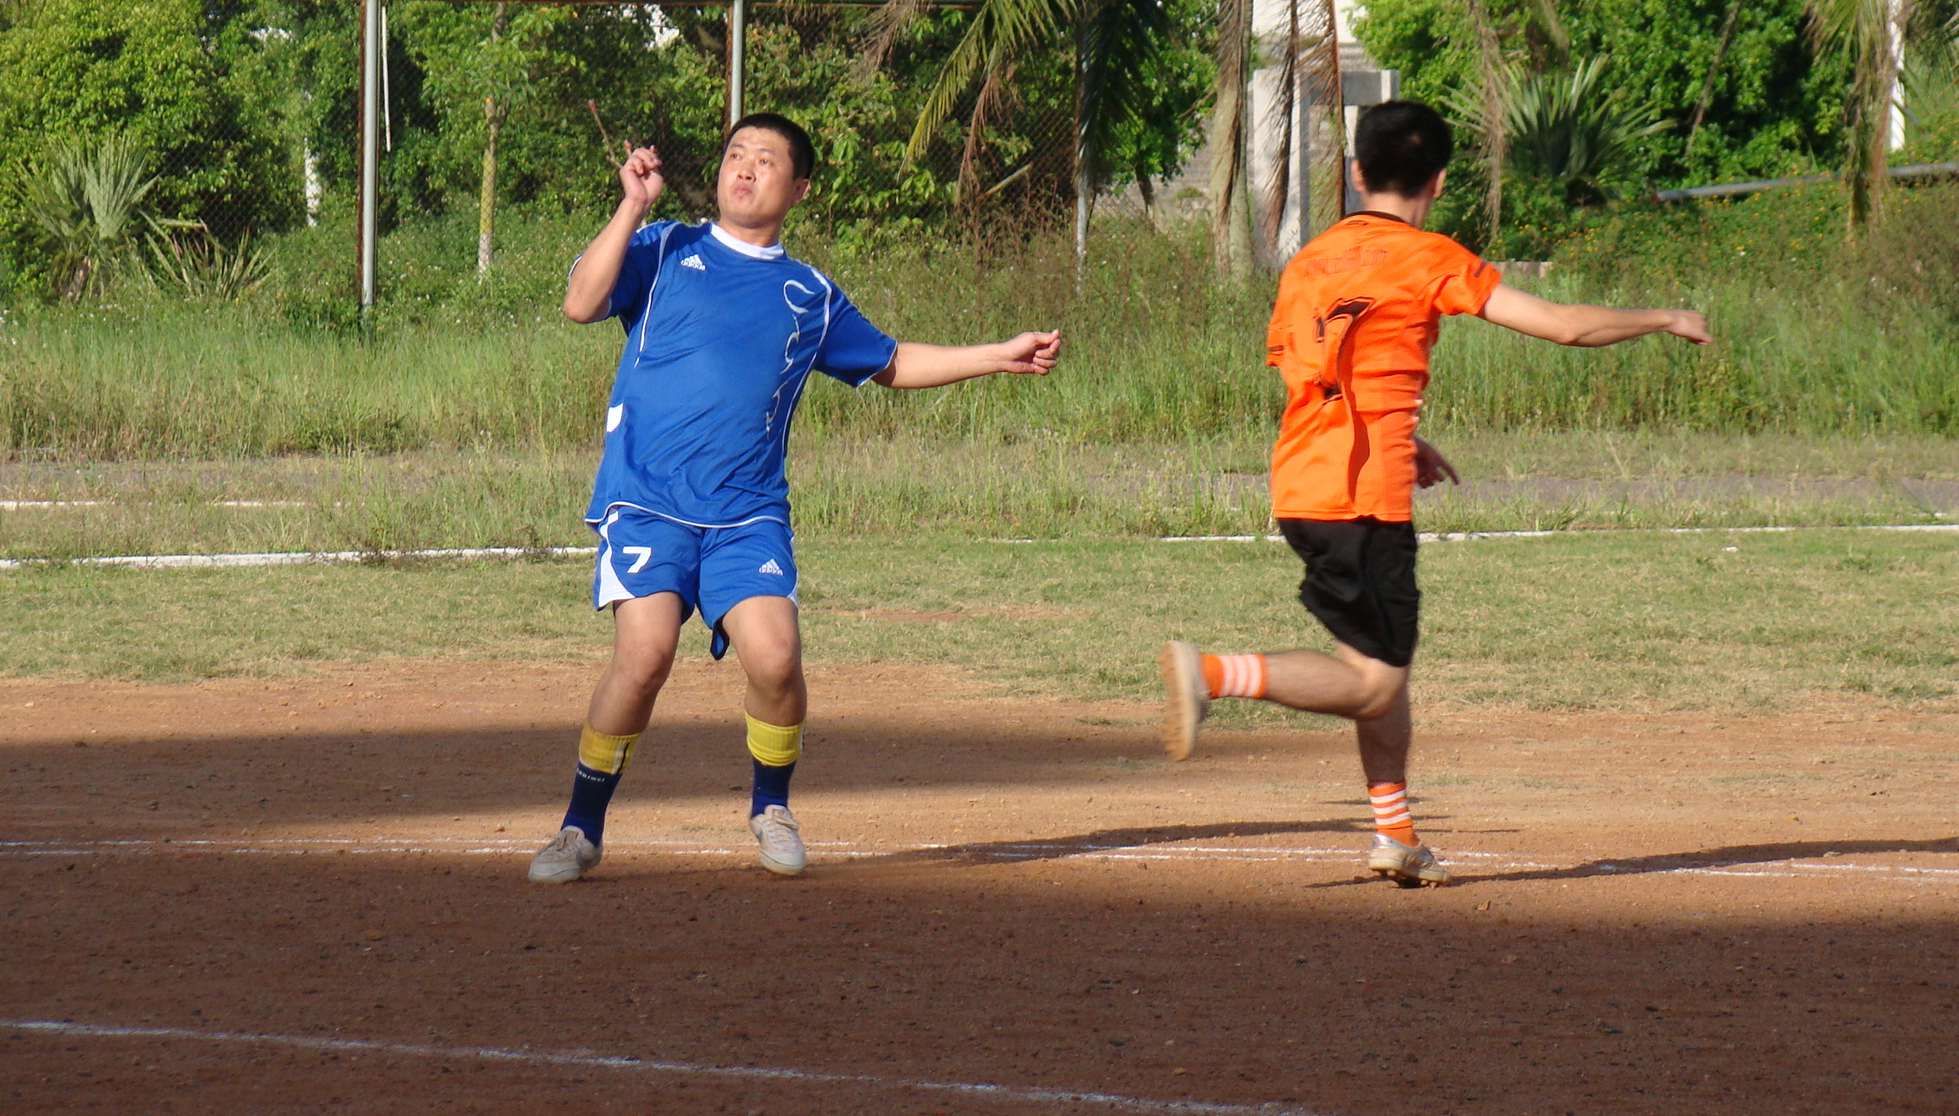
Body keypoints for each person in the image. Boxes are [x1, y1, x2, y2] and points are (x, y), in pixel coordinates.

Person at [1159, 100, 1710, 886]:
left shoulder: (1310, 260)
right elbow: (1562, 325)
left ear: (1357, 173)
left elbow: (1315, 373)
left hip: (1303, 482)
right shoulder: (1428, 257)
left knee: (1382, 666)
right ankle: (1213, 675)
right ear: (1440, 181)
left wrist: (1403, 435)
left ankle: (1397, 835)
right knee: (1374, 682)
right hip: (1362, 498)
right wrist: (1663, 316)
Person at [530, 113, 1061, 883]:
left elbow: (890, 362)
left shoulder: (808, 293)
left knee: (776, 658)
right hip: (647, 500)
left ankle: (771, 807)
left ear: (799, 188)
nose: (745, 168)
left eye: (767, 160)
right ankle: (580, 828)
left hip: (746, 513)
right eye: (735, 155)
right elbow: (582, 303)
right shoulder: (665, 246)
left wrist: (997, 356)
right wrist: (632, 206)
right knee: (643, 658)